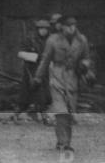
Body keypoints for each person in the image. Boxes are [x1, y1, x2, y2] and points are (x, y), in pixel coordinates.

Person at [34, 16, 92, 153]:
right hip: (57, 76)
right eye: (68, 25)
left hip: (73, 78)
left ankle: (64, 141)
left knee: (69, 112)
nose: (72, 28)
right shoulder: (53, 40)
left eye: (74, 25)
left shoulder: (82, 40)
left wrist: (84, 65)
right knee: (61, 111)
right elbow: (45, 60)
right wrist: (38, 77)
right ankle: (64, 143)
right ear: (62, 27)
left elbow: (87, 57)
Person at [10, 18, 51, 124]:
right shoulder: (30, 39)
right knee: (25, 96)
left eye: (45, 29)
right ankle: (15, 115)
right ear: (37, 29)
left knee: (42, 95)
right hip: (30, 71)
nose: (43, 31)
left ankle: (44, 117)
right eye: (41, 28)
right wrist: (36, 57)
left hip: (43, 72)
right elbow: (20, 53)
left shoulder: (49, 41)